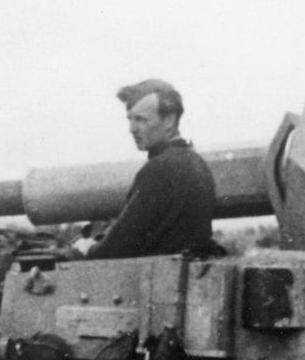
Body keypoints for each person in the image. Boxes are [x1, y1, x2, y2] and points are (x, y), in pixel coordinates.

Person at [82, 78, 219, 260]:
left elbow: (117, 248)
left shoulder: (159, 169)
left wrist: (87, 249)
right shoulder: (196, 162)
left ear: (169, 120)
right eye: (130, 119)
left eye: (141, 120)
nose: (132, 129)